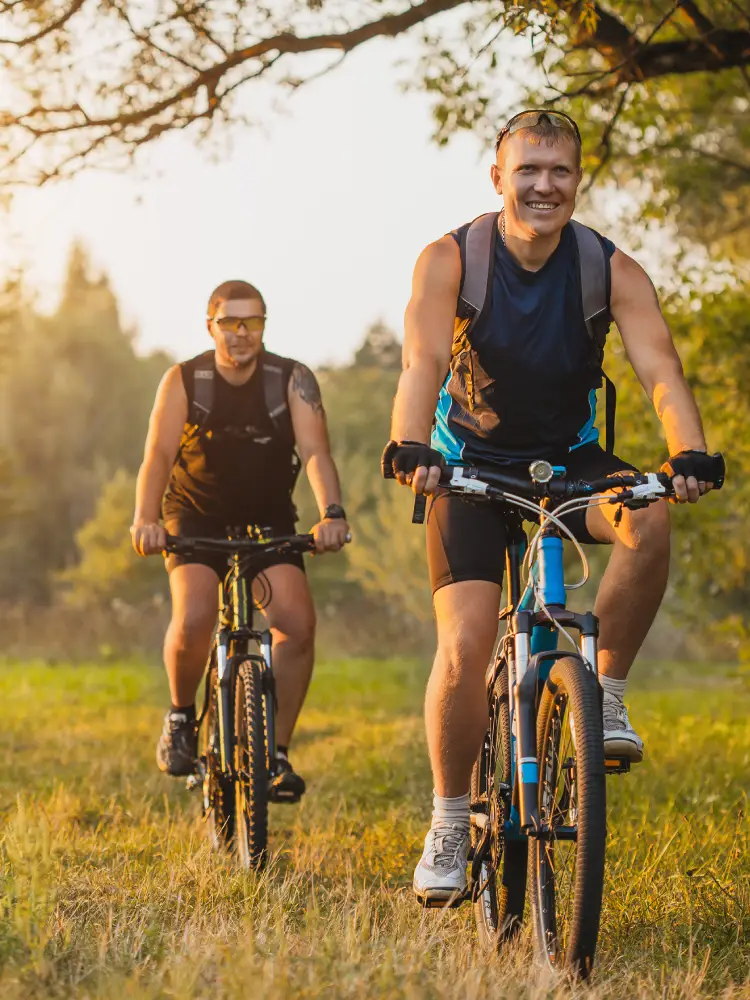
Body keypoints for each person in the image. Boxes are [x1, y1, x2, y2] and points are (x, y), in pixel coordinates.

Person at [382, 110, 723, 904]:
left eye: (559, 171)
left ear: (577, 180)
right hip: (466, 466)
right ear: (498, 177)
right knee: (467, 646)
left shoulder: (609, 269)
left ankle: (601, 697)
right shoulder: (451, 259)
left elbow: (661, 370)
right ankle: (450, 818)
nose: (544, 185)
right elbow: (423, 358)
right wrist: (412, 445)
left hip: (569, 461)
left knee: (649, 518)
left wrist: (688, 452)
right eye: (527, 170)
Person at [131, 279, 349, 799]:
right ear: (211, 326)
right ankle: (182, 716)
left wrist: (331, 513)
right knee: (195, 616)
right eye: (230, 322)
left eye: (253, 322)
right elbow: (158, 456)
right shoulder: (184, 380)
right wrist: (145, 517)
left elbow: (316, 452)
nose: (242, 332)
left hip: (268, 518)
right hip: (194, 514)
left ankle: (275, 754)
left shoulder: (290, 380)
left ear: (264, 327)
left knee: (296, 625)